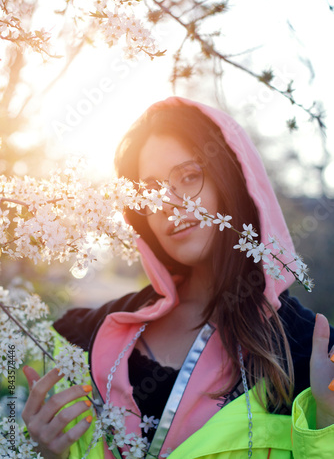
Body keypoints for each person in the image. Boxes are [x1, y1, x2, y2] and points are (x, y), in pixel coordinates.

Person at [22, 96, 334, 459]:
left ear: (229, 182)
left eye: (189, 176)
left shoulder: (305, 350)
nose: (170, 203)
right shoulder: (88, 334)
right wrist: (45, 453)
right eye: (150, 189)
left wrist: (325, 423)